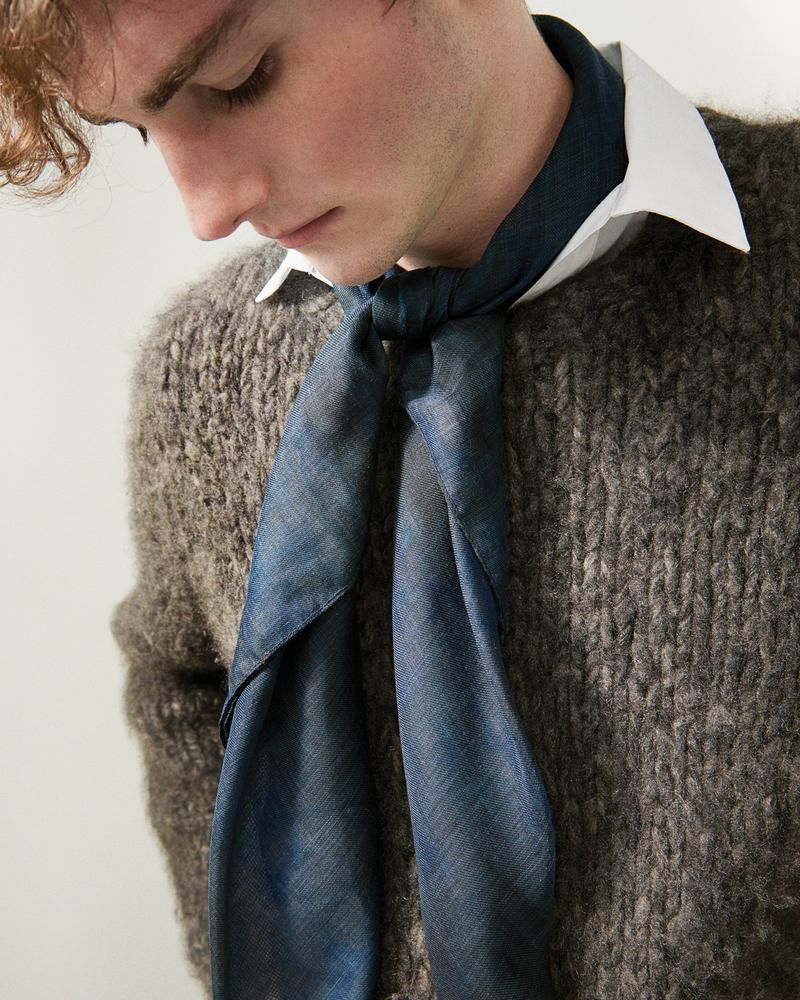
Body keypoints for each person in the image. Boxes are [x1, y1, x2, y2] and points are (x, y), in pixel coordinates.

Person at [3, 1, 798, 997]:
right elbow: (175, 669)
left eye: (240, 78)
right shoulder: (199, 375)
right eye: (140, 126)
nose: (203, 208)